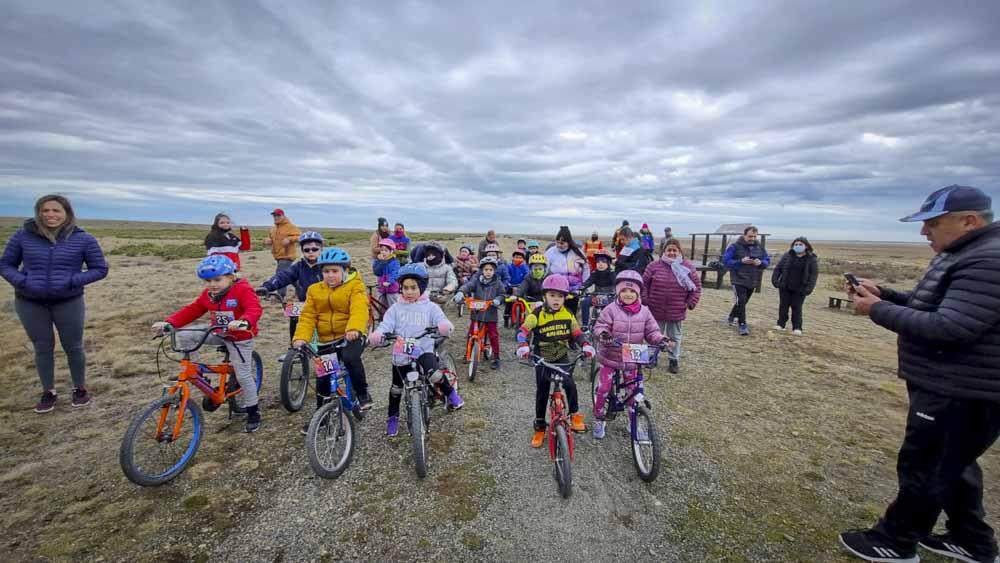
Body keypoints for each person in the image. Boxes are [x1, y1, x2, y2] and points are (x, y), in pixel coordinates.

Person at [838, 185, 1000, 563]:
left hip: (961, 388)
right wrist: (888, 295)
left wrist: (876, 310)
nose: (924, 232)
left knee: (925, 464)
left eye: (932, 223)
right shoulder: (966, 253)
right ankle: (972, 540)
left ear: (969, 220)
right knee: (954, 465)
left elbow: (951, 327)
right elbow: (936, 306)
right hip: (956, 384)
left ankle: (896, 541)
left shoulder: (987, 260)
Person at [1, 195, 108, 412]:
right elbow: (5, 265)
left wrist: (72, 281)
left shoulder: (83, 239)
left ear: (67, 213)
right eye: (45, 210)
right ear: (38, 213)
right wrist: (23, 281)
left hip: (68, 301)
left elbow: (100, 268)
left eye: (56, 210)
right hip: (30, 302)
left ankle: (79, 388)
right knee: (42, 347)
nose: (50, 215)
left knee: (74, 346)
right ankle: (48, 391)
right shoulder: (23, 235)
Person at [152, 256, 263, 432]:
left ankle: (253, 411)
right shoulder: (209, 294)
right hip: (218, 332)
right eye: (208, 281)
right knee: (184, 335)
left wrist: (245, 321)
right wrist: (170, 323)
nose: (212, 284)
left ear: (231, 276)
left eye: (217, 279)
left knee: (243, 375)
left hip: (239, 337)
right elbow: (193, 309)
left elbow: (254, 308)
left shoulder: (242, 289)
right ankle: (196, 373)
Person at [369, 264, 463, 436]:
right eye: (405, 288)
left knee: (434, 374)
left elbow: (440, 318)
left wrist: (443, 326)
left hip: (423, 349)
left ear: (421, 287)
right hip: (401, 354)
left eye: (413, 287)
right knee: (396, 389)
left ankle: (450, 393)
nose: (409, 291)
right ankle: (392, 418)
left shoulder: (429, 306)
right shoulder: (395, 309)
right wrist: (379, 333)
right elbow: (386, 324)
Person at [293, 247, 373, 433]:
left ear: (345, 271)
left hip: (350, 335)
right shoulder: (314, 290)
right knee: (322, 377)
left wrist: (354, 329)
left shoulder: (355, 286)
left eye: (335, 271)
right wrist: (301, 338)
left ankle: (362, 394)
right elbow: (308, 316)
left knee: (351, 358)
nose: (330, 275)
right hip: (326, 339)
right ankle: (321, 416)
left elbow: (359, 309)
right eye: (326, 271)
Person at [516, 275, 595, 447]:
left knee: (570, 384)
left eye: (560, 296)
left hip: (561, 356)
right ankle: (539, 427)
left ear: (565, 298)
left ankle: (574, 414)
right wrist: (523, 344)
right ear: (544, 296)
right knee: (542, 392)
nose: (556, 299)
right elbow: (523, 331)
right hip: (541, 358)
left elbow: (577, 333)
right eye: (552, 295)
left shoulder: (567, 314)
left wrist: (586, 345)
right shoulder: (536, 314)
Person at [591, 270, 669, 439]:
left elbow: (652, 331)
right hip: (611, 355)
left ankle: (633, 421)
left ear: (638, 293)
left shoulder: (645, 312)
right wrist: (604, 335)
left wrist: (660, 340)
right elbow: (600, 326)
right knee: (604, 388)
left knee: (633, 391)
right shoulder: (610, 309)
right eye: (624, 290)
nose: (628, 294)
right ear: (618, 291)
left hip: (633, 358)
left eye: (632, 291)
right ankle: (598, 416)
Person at [642, 238, 701, 373]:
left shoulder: (687, 267)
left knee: (674, 336)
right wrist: (645, 300)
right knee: (653, 334)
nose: (672, 252)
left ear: (679, 251)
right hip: (655, 308)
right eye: (669, 250)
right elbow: (644, 284)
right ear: (664, 251)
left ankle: (673, 359)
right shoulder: (653, 266)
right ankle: (652, 357)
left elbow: (696, 287)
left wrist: (690, 303)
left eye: (675, 250)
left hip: (677, 309)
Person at [256, 231, 325, 341]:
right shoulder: (299, 266)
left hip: (326, 303)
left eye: (315, 249)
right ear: (302, 251)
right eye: (307, 249)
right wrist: (267, 286)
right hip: (306, 303)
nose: (311, 252)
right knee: (292, 312)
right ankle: (295, 347)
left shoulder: (327, 266)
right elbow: (284, 276)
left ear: (321, 249)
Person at [454, 256, 506, 370]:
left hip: (490, 314)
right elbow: (468, 286)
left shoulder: (498, 283)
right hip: (476, 313)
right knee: (471, 333)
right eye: (486, 270)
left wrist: (498, 300)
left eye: (491, 270)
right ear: (482, 270)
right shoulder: (476, 281)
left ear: (494, 271)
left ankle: (496, 357)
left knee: (493, 335)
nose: (488, 272)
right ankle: (468, 352)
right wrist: (461, 292)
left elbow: (502, 294)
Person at [722, 226, 770, 336]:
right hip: (738, 279)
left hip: (753, 279)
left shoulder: (760, 247)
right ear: (744, 235)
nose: (752, 238)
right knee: (742, 301)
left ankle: (730, 317)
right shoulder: (734, 246)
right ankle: (742, 325)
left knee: (742, 301)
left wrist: (761, 263)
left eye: (754, 236)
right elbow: (726, 260)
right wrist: (740, 261)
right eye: (750, 236)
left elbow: (767, 260)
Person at [771, 237, 818, 336]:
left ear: (806, 246)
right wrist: (775, 280)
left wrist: (809, 288)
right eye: (795, 245)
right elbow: (778, 268)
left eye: (800, 244)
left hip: (800, 288)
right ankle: (781, 324)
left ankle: (797, 327)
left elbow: (813, 275)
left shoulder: (811, 259)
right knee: (783, 306)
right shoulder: (787, 256)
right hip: (785, 286)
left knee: (797, 307)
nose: (798, 246)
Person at [544, 226, 591, 314]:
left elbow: (586, 269)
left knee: (571, 313)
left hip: (574, 289)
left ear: (569, 242)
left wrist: (584, 285)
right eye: (557, 243)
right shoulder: (550, 252)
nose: (559, 245)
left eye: (562, 243)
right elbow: (544, 269)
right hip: (557, 288)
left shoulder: (578, 252)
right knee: (556, 312)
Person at [264, 209, 302, 300]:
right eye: (274, 216)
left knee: (280, 274)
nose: (276, 217)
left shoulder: (290, 226)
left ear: (283, 216)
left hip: (287, 256)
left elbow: (300, 237)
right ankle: (301, 289)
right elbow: (270, 239)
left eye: (278, 215)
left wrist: (290, 239)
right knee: (290, 275)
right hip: (278, 256)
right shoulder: (273, 229)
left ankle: (280, 296)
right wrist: (268, 241)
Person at [580, 249, 616, 328]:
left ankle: (614, 325)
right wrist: (582, 287)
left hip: (609, 296)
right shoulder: (595, 273)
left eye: (603, 262)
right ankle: (585, 325)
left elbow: (615, 283)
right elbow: (589, 281)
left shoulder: (612, 273)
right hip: (596, 296)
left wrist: (617, 291)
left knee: (614, 308)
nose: (600, 264)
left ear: (608, 263)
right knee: (584, 302)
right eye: (598, 262)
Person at [504, 248, 530, 327]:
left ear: (523, 259)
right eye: (516, 257)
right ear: (513, 258)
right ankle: (506, 317)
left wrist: (524, 285)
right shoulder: (509, 266)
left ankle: (522, 316)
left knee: (523, 302)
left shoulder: (524, 267)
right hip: (510, 286)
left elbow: (527, 276)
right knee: (508, 303)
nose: (518, 259)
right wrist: (508, 284)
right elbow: (506, 275)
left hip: (521, 287)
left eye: (520, 257)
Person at [373, 238, 401, 308]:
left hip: (392, 288)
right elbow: (376, 272)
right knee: (380, 305)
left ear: (391, 251)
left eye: (386, 250)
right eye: (382, 250)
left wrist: (389, 281)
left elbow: (395, 273)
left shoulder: (395, 262)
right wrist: (382, 262)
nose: (383, 252)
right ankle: (381, 318)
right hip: (381, 288)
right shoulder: (378, 261)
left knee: (393, 306)